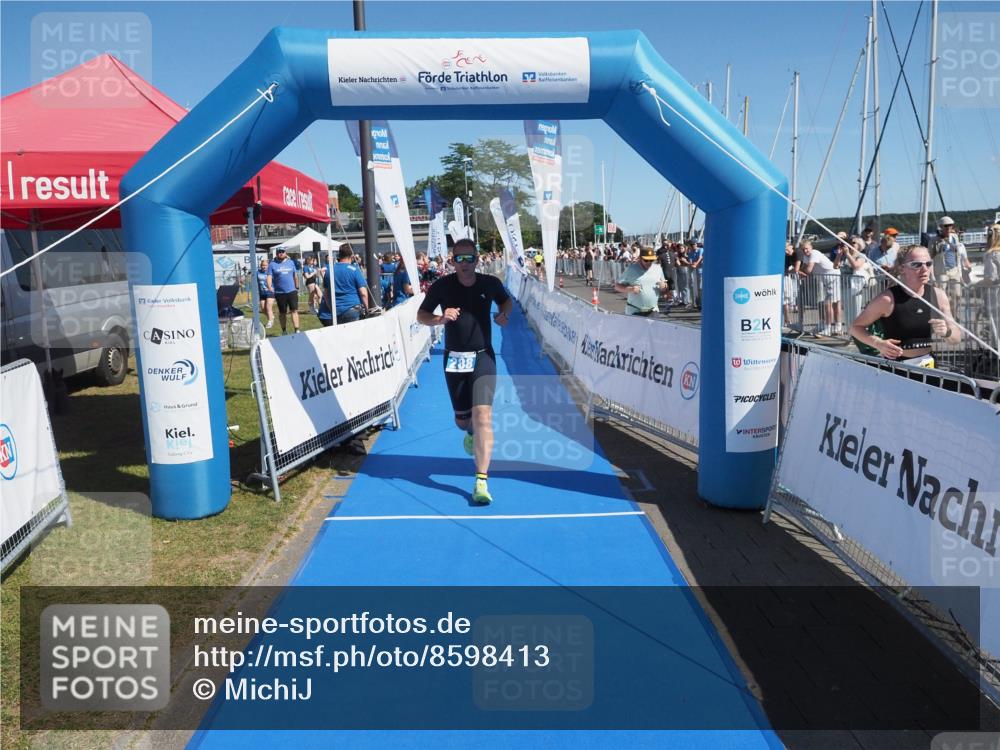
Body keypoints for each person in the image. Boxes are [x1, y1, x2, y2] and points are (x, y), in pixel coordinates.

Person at [416, 239, 513, 505]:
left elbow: (507, 303)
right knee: (462, 421)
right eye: (459, 259)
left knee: (483, 415)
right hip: (454, 359)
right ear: (452, 261)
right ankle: (469, 433)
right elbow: (421, 315)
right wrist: (440, 318)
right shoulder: (442, 286)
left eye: (469, 259)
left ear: (477, 260)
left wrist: (503, 315)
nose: (465, 264)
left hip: (483, 357)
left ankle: (480, 480)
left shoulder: (489, 283)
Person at [849, 245, 961, 367]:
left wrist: (947, 332)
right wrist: (878, 343)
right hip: (897, 367)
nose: (924, 269)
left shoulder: (938, 295)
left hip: (929, 365)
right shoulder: (887, 299)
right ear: (902, 269)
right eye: (916, 265)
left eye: (928, 264)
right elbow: (855, 327)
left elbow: (956, 338)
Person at [318, 245, 369, 326]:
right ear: (352, 256)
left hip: (336, 311)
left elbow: (326, 295)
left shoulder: (329, 271)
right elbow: (363, 293)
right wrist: (368, 310)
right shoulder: (354, 270)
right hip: (352, 309)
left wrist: (332, 310)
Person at [800, 240, 842, 335]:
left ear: (811, 247)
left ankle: (829, 328)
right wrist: (800, 271)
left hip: (832, 277)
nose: (805, 251)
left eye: (807, 248)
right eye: (803, 249)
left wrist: (800, 272)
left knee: (829, 303)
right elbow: (804, 269)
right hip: (824, 279)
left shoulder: (814, 253)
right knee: (831, 303)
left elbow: (808, 270)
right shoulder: (806, 256)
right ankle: (832, 326)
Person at [614, 246, 668, 316]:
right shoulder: (631, 269)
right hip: (635, 311)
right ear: (640, 258)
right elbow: (617, 286)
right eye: (646, 260)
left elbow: (665, 288)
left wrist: (664, 287)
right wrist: (630, 289)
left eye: (651, 260)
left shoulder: (658, 269)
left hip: (653, 311)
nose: (649, 262)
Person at [931, 216, 971, 302]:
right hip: (942, 271)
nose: (949, 227)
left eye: (951, 225)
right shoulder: (934, 240)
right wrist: (932, 276)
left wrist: (960, 273)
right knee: (941, 295)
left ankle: (953, 314)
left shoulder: (954, 237)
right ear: (941, 226)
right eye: (946, 225)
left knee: (957, 295)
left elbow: (958, 256)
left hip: (954, 270)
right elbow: (930, 258)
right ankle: (943, 313)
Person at [267, 247, 300, 335]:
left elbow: (295, 275)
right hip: (280, 292)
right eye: (279, 252)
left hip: (292, 291)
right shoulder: (272, 264)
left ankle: (296, 329)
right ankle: (284, 330)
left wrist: (297, 285)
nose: (280, 253)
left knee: (294, 310)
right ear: (276, 253)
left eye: (282, 252)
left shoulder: (291, 262)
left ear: (285, 253)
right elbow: (269, 276)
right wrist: (269, 286)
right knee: (282, 313)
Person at [256, 258, 275, 329]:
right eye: (263, 265)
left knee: (268, 307)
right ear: (260, 266)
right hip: (262, 293)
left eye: (266, 265)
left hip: (270, 292)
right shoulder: (257, 273)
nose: (264, 267)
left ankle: (270, 321)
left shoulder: (270, 273)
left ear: (268, 266)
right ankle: (271, 317)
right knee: (263, 309)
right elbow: (252, 279)